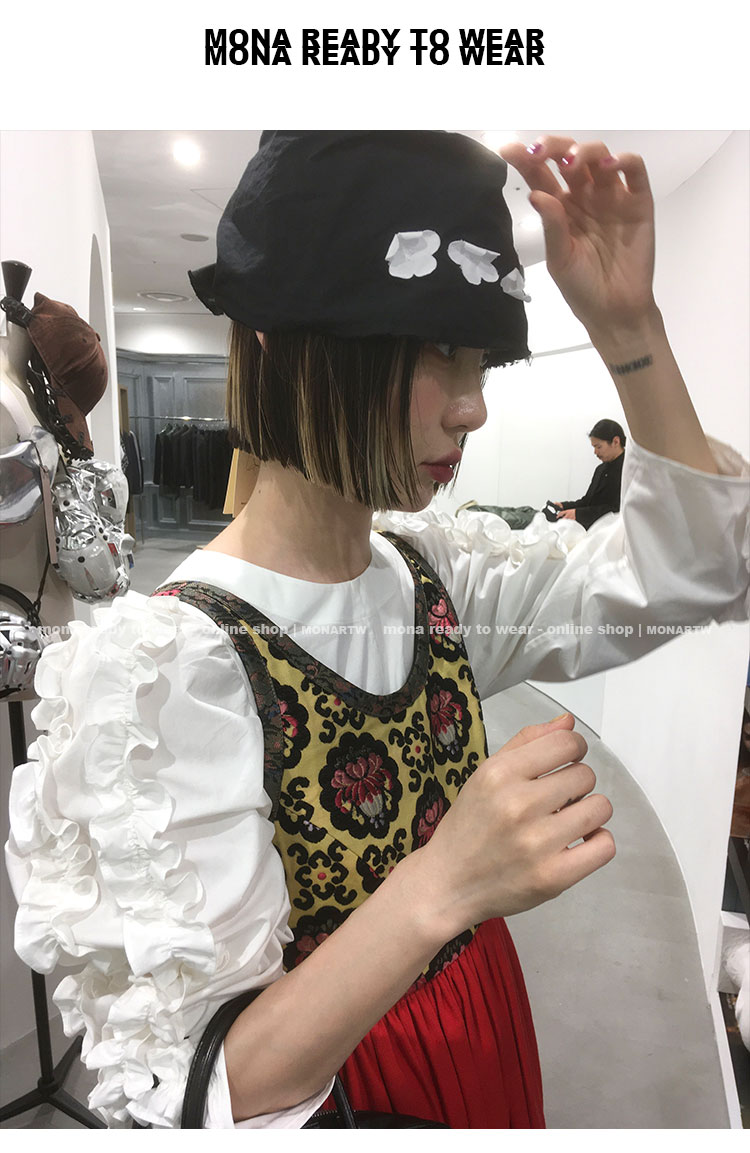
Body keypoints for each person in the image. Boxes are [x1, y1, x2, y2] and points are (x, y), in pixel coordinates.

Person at [5, 131, 748, 1130]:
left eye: (481, 358)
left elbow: (689, 574)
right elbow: (206, 1086)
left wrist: (629, 330)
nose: (473, 406)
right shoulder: (171, 668)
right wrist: (445, 880)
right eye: (435, 350)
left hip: (486, 1038)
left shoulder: (436, 576)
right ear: (287, 341)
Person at [553, 418, 626, 528]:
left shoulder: (629, 470)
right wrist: (564, 506)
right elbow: (588, 501)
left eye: (599, 447)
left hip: (613, 532)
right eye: (594, 447)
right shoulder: (600, 469)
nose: (595, 452)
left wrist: (579, 514)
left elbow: (616, 509)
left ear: (616, 441)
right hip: (592, 529)